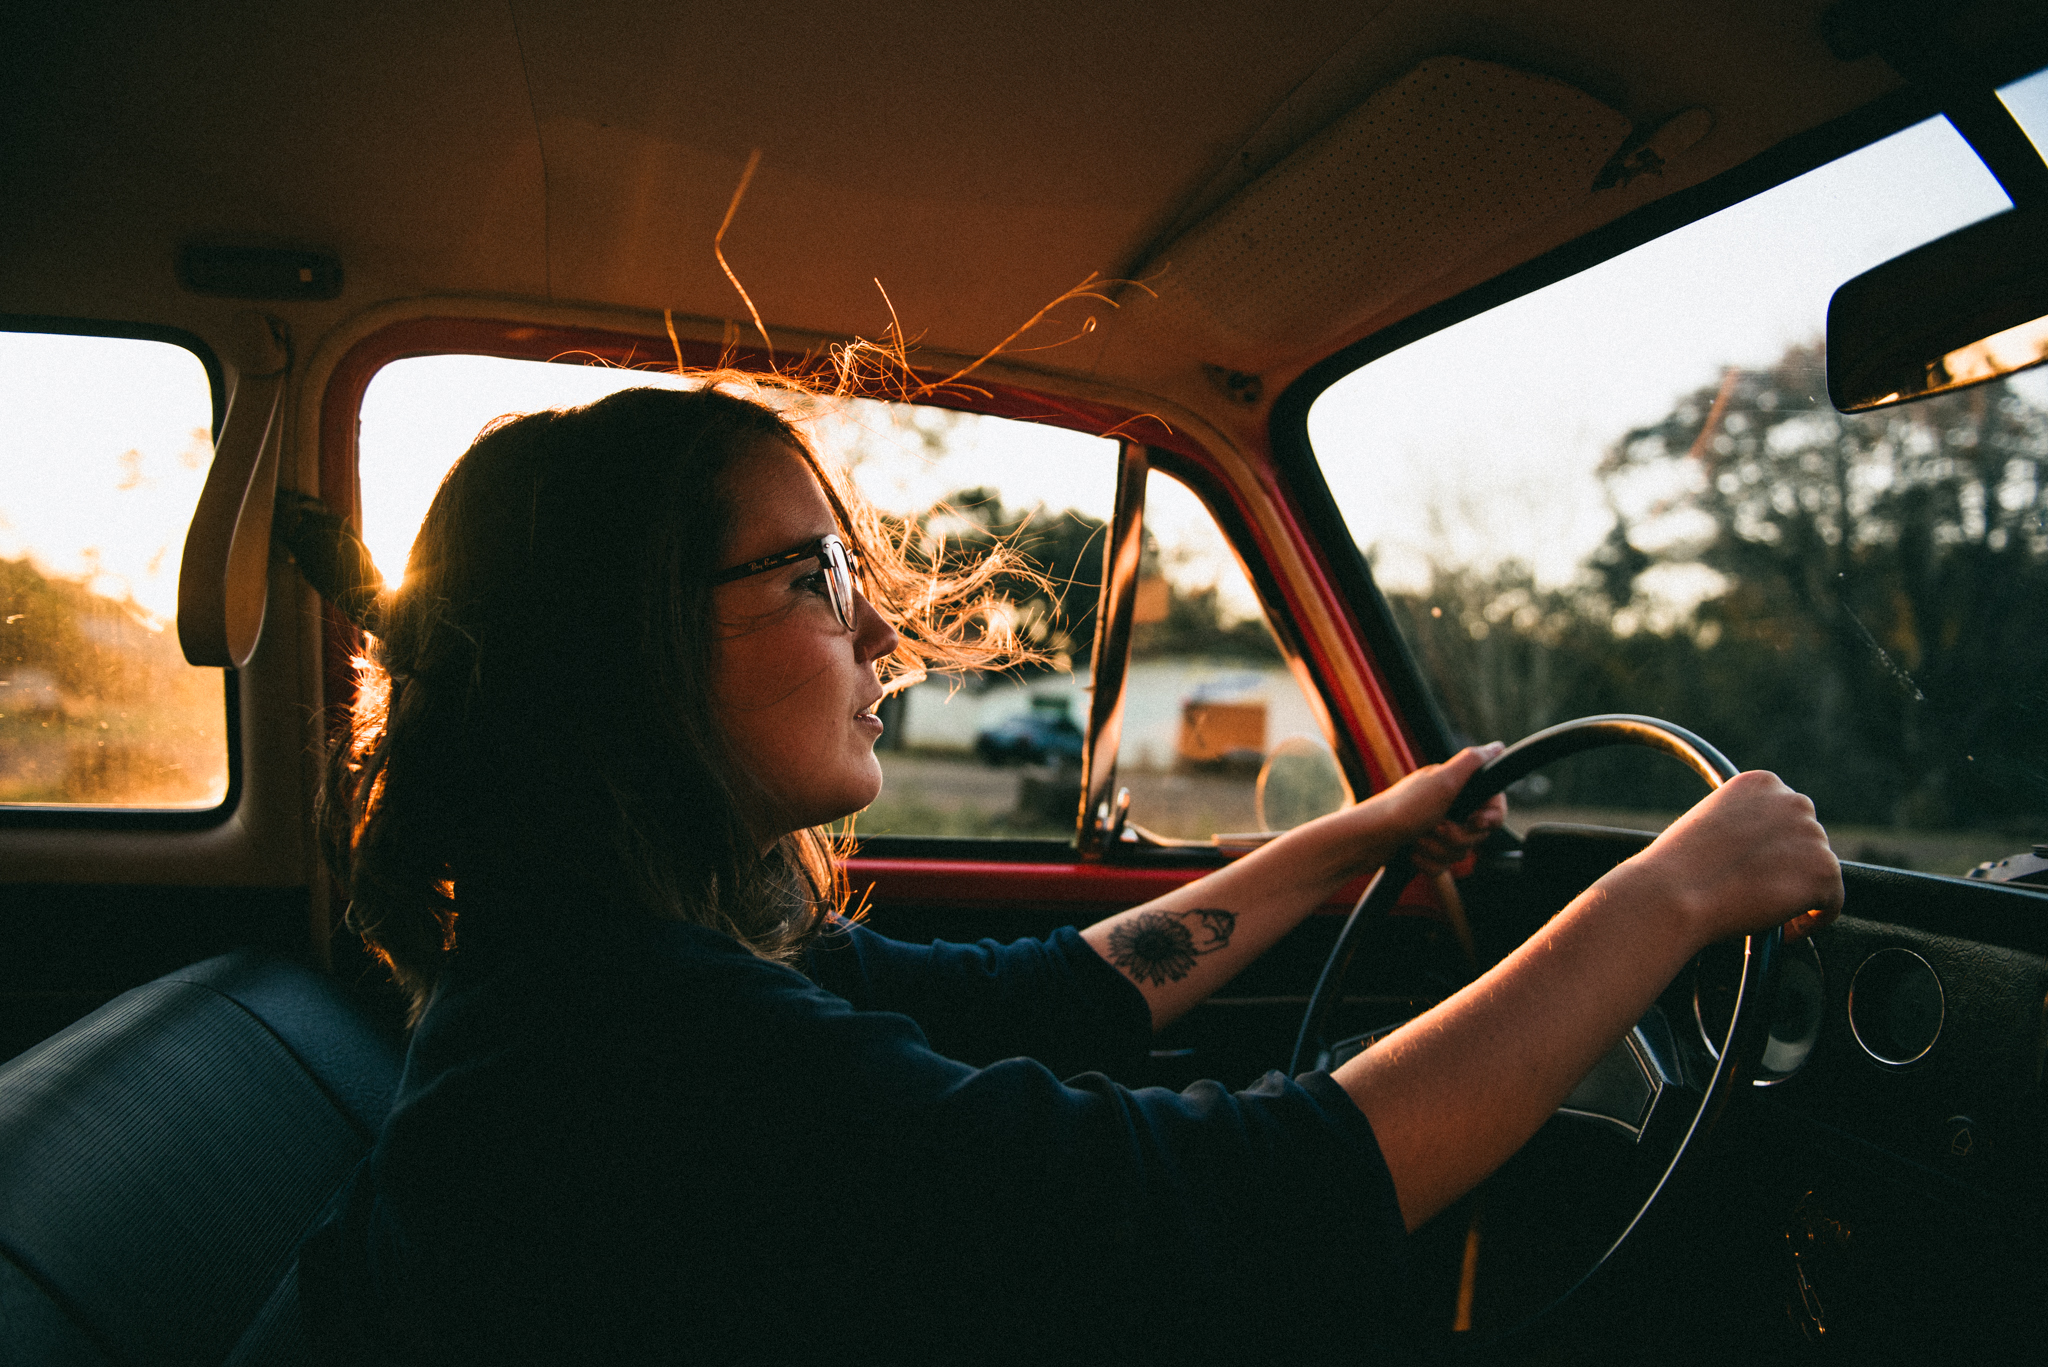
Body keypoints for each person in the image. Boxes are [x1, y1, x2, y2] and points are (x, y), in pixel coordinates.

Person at [299, 383, 1842, 1365]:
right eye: (812, 577)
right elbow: (1245, 1204)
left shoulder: (635, 958)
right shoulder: (633, 1042)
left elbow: (1053, 996)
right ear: (617, 643)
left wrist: (1350, 839)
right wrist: (1672, 895)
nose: (883, 635)